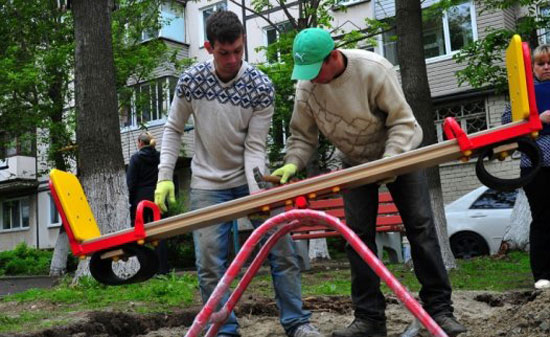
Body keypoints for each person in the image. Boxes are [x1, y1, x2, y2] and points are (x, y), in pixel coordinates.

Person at [272, 28, 467, 337]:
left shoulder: (373, 69)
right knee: (358, 239)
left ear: (333, 56)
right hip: (354, 163)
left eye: (315, 70)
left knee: (421, 229)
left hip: (398, 153)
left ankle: (439, 310)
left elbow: (403, 122)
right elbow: (301, 137)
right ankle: (369, 319)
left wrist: (390, 161)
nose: (311, 78)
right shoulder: (307, 88)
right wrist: (292, 164)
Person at [153, 11, 321, 337]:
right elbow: (173, 129)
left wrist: (257, 194)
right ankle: (225, 331)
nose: (232, 59)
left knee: (282, 249)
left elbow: (255, 147)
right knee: (209, 265)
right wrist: (164, 177)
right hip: (205, 182)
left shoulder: (260, 86)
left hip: (251, 178)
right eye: (224, 52)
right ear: (208, 47)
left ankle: (297, 323)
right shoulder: (191, 81)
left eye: (238, 51)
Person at [502, 44, 550, 290]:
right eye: (540, 63)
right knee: (542, 219)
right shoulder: (523, 93)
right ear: (532, 68)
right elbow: (507, 125)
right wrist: (538, 119)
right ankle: (542, 275)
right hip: (535, 165)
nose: (546, 67)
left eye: (549, 63)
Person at [126, 131, 169, 275]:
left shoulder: (136, 158)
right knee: (160, 234)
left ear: (140, 143)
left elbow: (131, 183)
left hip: (141, 201)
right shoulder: (160, 157)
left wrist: (131, 201)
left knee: (140, 235)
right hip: (158, 198)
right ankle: (163, 270)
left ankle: (146, 270)